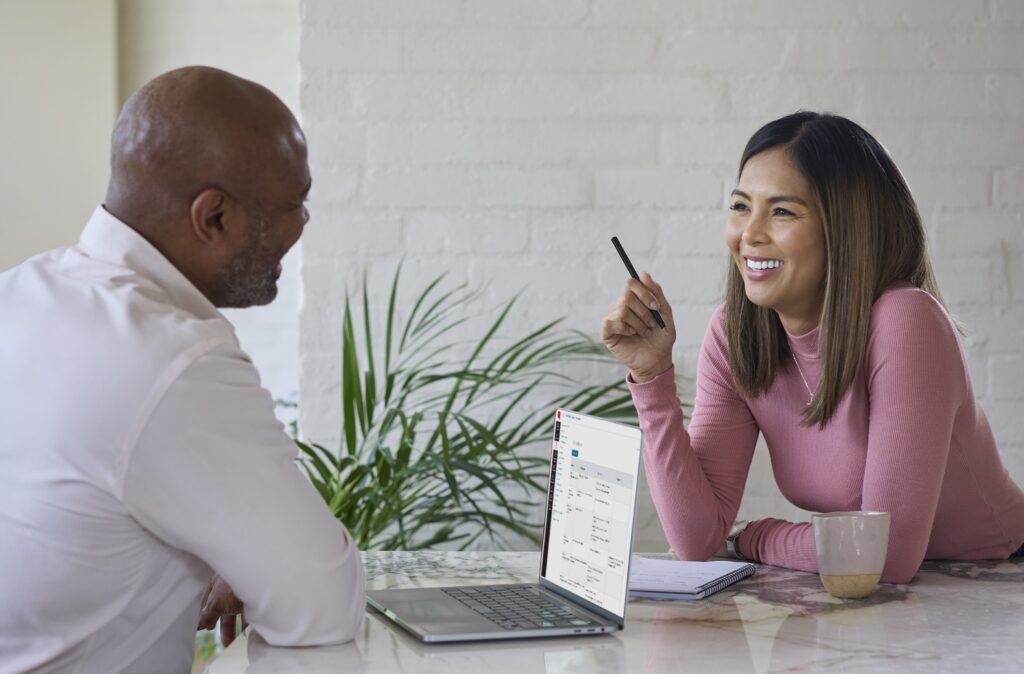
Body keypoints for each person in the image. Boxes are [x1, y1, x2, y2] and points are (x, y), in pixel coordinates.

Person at [0, 67, 364, 673]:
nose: (301, 228)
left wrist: (230, 548)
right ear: (213, 218)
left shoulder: (19, 294)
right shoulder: (170, 357)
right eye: (293, 205)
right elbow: (321, 607)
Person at [601, 111, 1024, 584]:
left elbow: (883, 554)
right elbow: (696, 539)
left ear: (844, 229)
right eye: (741, 206)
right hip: (891, 595)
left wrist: (754, 537)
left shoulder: (907, 321)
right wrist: (652, 377)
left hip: (997, 582)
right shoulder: (736, 333)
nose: (749, 234)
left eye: (782, 211)